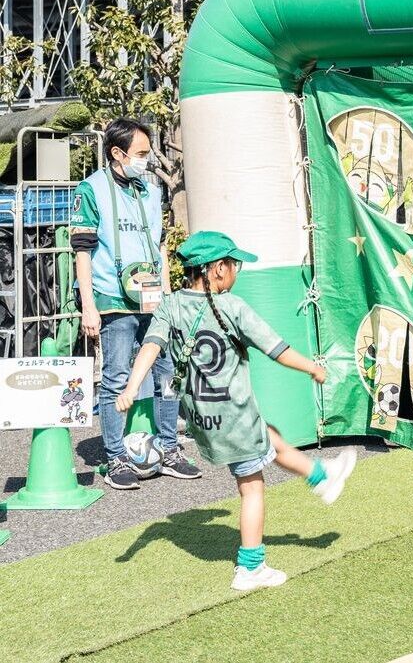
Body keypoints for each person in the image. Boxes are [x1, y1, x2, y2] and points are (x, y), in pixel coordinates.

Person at [117, 231, 358, 591]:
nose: (236, 271)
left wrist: (131, 387)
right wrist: (312, 367)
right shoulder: (232, 307)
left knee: (268, 435)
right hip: (234, 414)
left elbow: (150, 346)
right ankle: (251, 567)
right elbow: (276, 349)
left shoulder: (171, 305)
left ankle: (321, 477)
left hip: (203, 418)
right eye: (234, 265)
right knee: (252, 488)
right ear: (217, 269)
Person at [71, 117, 200, 489]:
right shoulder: (91, 189)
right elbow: (82, 250)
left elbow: (159, 246)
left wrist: (168, 297)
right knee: (115, 377)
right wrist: (89, 306)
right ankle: (116, 458)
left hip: (153, 299)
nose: (147, 160)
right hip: (113, 298)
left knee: (168, 374)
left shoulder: (151, 190)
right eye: (141, 153)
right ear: (117, 153)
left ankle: (170, 449)